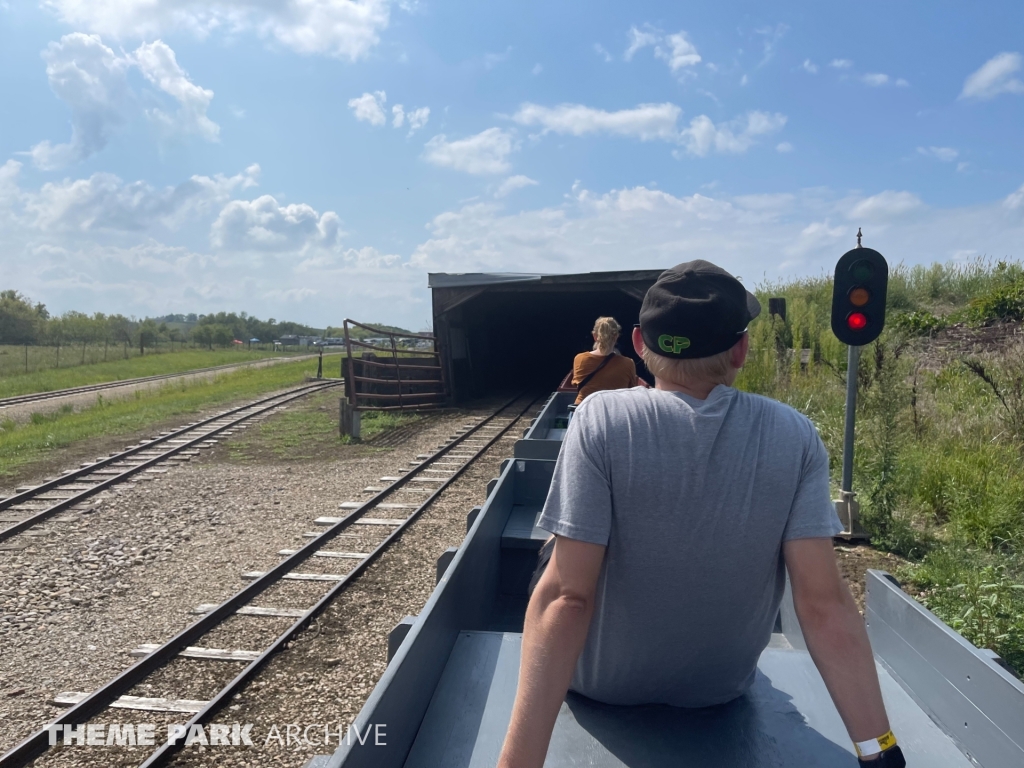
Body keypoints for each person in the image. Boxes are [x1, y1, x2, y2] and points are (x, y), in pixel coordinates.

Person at [498, 260, 904, 768]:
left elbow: (568, 598)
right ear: (740, 350)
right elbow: (823, 605)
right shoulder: (793, 434)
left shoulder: (600, 418)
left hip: (599, 685)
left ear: (640, 344)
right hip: (719, 688)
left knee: (556, 553)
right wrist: (879, 750)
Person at [571, 316, 638, 405]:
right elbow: (631, 391)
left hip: (584, 407)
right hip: (615, 409)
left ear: (595, 336)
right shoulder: (628, 363)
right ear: (616, 337)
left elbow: (576, 383)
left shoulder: (580, 359)